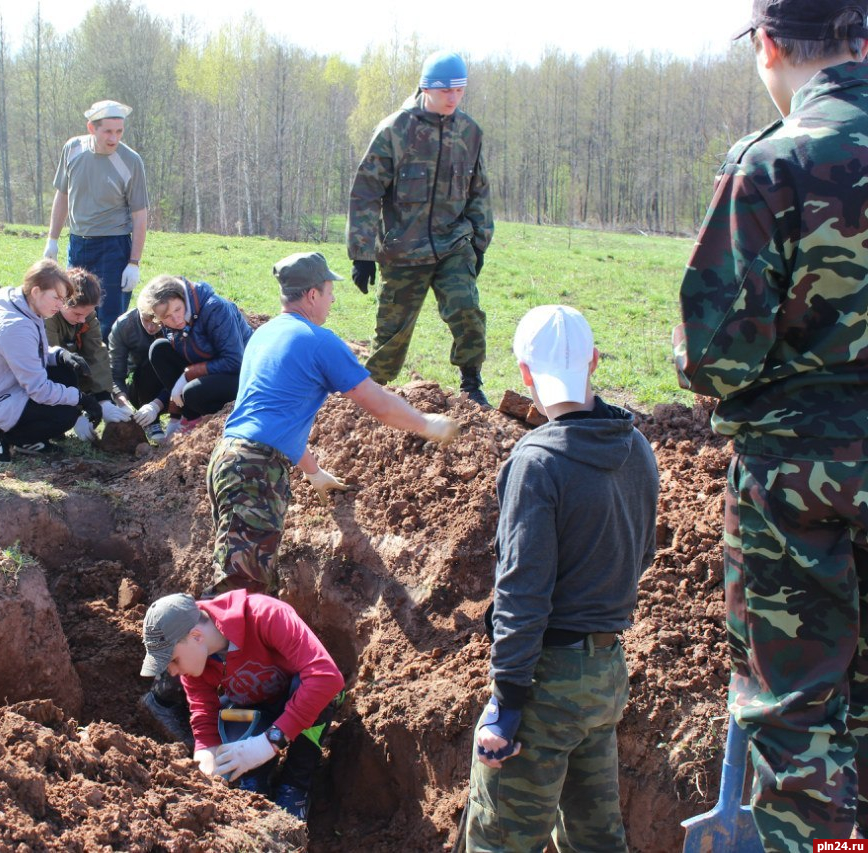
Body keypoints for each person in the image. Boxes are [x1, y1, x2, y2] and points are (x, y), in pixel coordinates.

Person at [673, 1, 868, 845]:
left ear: (768, 45)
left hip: (798, 491)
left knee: (799, 723)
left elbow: (715, 357)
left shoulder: (773, 165)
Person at [465, 305, 658, 851]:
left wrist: (506, 703)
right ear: (595, 361)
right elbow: (640, 554)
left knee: (500, 838)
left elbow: (521, 592)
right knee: (595, 837)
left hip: (544, 684)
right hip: (605, 675)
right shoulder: (636, 447)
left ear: (525, 374)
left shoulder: (538, 462)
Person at [207, 250, 461, 597]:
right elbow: (378, 402)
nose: (333, 298)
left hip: (228, 459)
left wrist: (314, 472)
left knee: (247, 578)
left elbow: (274, 420)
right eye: (329, 291)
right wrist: (425, 424)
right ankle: (204, 648)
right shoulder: (318, 341)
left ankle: (232, 648)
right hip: (255, 470)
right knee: (239, 589)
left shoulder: (264, 335)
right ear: (312, 294)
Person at [347, 50, 494, 406]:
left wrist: (478, 243)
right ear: (427, 88)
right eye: (446, 91)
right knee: (390, 335)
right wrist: (362, 253)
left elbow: (479, 191)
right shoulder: (395, 131)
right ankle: (373, 395)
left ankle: (471, 383)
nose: (453, 99)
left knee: (466, 311)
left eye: (459, 91)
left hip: (453, 244)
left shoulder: (469, 132)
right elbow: (366, 193)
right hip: (403, 250)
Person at [140, 590, 346, 821]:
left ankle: (295, 787)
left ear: (196, 635)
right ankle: (256, 785)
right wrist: (206, 760)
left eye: (173, 660)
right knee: (234, 742)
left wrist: (269, 742)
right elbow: (203, 712)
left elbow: (327, 676)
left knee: (319, 696)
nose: (173, 672)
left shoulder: (265, 615)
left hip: (299, 700)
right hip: (254, 705)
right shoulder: (197, 660)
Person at [0, 259, 103, 460]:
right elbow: (38, 389)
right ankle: (1, 435)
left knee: (66, 370)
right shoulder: (14, 327)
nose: (60, 304)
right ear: (36, 291)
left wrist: (60, 355)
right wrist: (82, 399)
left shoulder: (23, 306)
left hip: (2, 388)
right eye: (56, 297)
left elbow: (32, 353)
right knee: (66, 415)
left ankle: (25, 436)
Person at [43, 100, 148, 340]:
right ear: (92, 128)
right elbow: (62, 194)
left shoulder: (131, 161)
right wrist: (52, 239)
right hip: (79, 244)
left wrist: (134, 262)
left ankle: (109, 374)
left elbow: (139, 214)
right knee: (74, 311)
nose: (114, 138)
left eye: (119, 131)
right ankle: (74, 370)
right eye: (108, 131)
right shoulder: (72, 149)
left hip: (114, 246)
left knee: (109, 321)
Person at [137, 274, 253, 438]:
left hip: (243, 375)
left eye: (178, 309)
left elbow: (235, 361)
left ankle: (215, 421)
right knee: (158, 350)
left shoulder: (215, 308)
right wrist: (174, 415)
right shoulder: (168, 324)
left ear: (184, 297)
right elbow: (176, 374)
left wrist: (189, 374)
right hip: (209, 371)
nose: (176, 319)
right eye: (167, 317)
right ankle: (190, 417)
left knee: (193, 392)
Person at [46, 266, 131, 443]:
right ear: (62, 302)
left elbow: (97, 354)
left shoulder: (86, 316)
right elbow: (51, 365)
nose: (82, 319)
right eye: (77, 313)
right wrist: (75, 412)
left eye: (87, 314)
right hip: (43, 379)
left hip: (72, 375)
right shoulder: (48, 316)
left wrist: (104, 400)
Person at [108, 304, 167, 442]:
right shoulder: (124, 326)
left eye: (157, 321)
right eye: (146, 320)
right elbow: (115, 372)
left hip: (177, 385)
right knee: (149, 362)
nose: (151, 327)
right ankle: (152, 422)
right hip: (143, 387)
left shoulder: (176, 319)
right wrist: (122, 401)